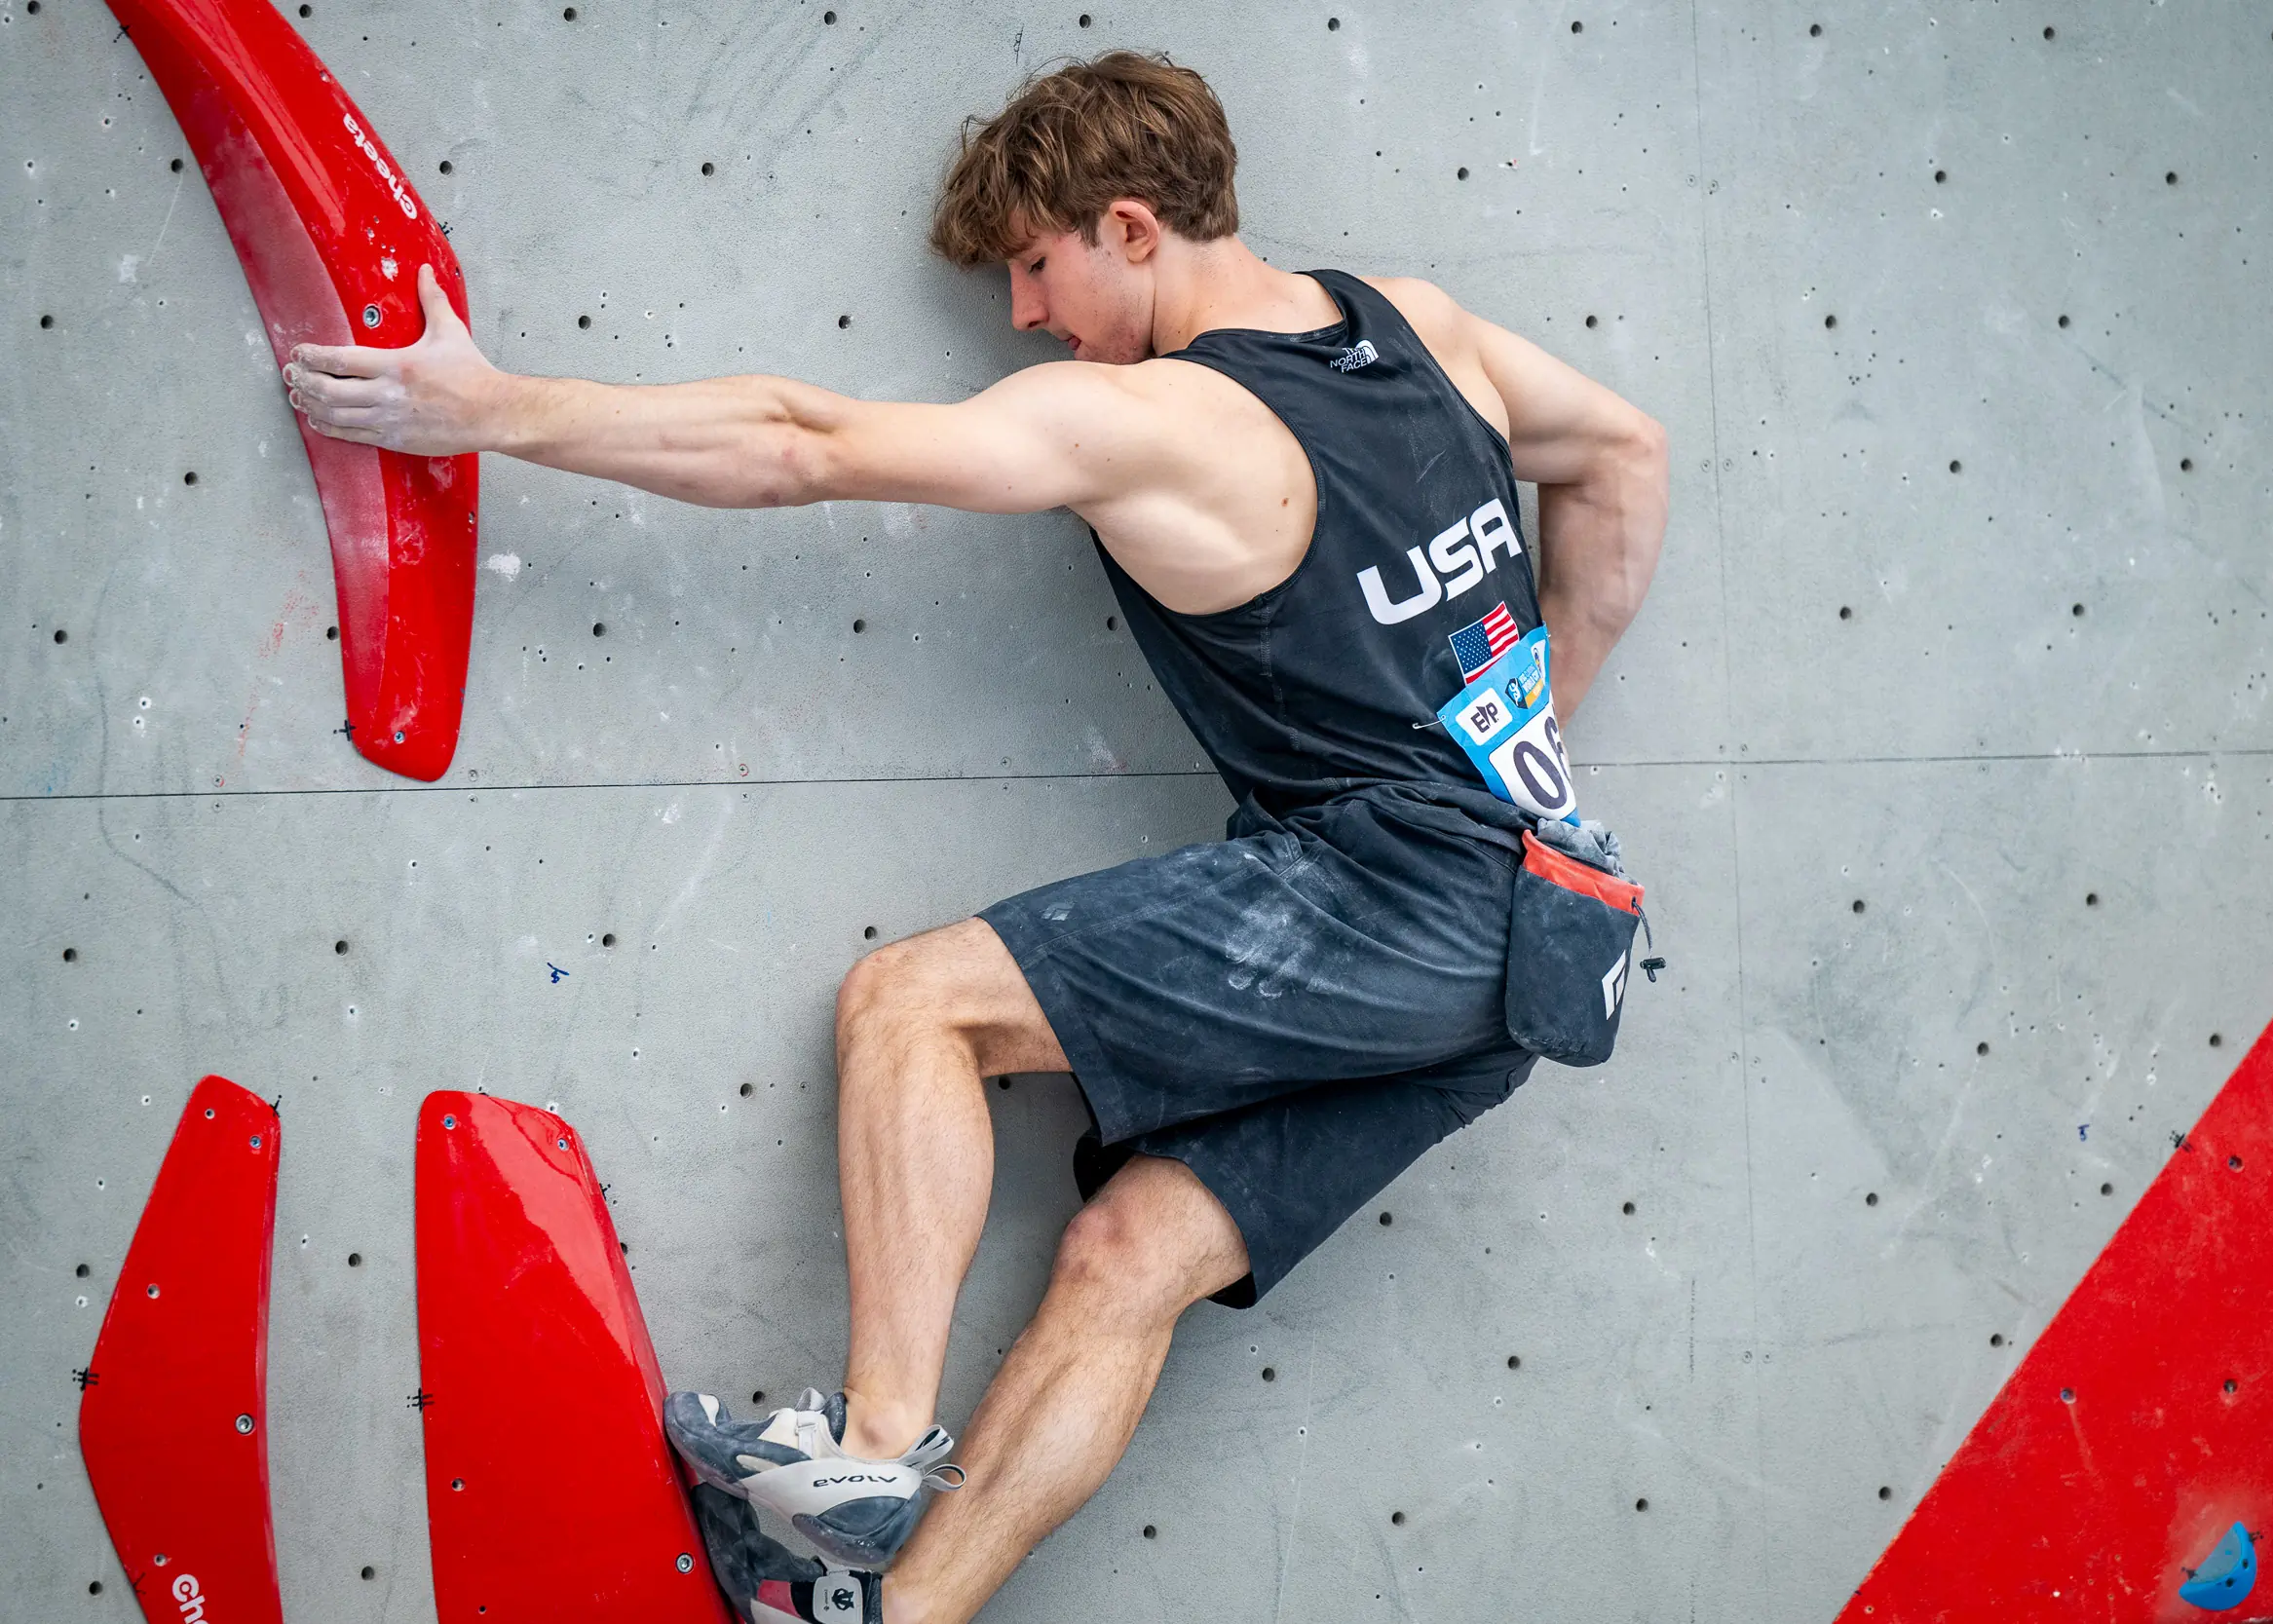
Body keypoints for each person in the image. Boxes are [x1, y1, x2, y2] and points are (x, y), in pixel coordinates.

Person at [284, 50, 1669, 1624]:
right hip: (1539, 939)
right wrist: (1526, 745)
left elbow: (800, 442)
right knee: (1128, 1256)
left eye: (1036, 264)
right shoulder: (1416, 324)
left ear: (1132, 228)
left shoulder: (1154, 423)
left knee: (910, 1008)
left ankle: (871, 1449)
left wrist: (491, 410)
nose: (1021, 313)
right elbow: (1621, 454)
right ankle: (904, 1613)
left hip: (1395, 901)